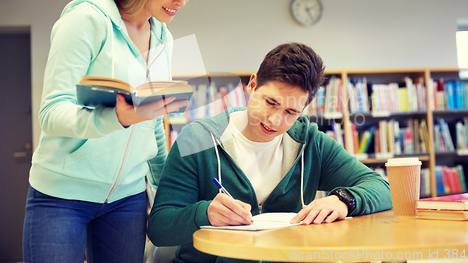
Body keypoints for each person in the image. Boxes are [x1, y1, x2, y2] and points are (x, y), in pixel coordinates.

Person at [22, 0, 202, 262]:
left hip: (127, 199)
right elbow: (51, 113)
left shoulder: (165, 37)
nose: (182, 1)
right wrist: (117, 118)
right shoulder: (86, 21)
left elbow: (153, 123)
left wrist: (166, 190)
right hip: (62, 195)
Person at [147, 43, 393, 263]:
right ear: (252, 84)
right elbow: (160, 227)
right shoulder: (197, 139)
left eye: (291, 112)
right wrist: (205, 212)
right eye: (271, 103)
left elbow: (381, 187)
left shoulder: (311, 143)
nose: (275, 120)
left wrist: (343, 200)